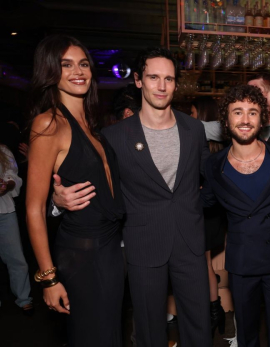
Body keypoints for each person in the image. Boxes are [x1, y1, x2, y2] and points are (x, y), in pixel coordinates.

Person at [52, 46, 212, 347]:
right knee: (149, 329)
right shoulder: (114, 137)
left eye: (168, 79)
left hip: (189, 241)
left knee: (199, 325)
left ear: (176, 83)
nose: (161, 86)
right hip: (144, 243)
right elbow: (97, 189)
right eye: (153, 77)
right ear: (138, 80)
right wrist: (58, 201)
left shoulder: (194, 129)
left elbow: (211, 177)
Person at [25, 35, 125, 346]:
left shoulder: (91, 126)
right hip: (82, 254)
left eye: (82, 64)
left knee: (109, 335)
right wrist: (49, 277)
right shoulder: (48, 124)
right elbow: (33, 208)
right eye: (65, 65)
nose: (77, 71)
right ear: (50, 72)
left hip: (109, 250)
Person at [201, 84, 270, 347]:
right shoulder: (213, 165)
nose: (245, 120)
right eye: (238, 112)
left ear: (262, 118)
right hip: (242, 264)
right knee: (246, 334)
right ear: (226, 119)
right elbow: (204, 202)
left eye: (252, 112)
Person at [190, 95, 227, 336]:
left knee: (198, 263)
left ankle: (209, 315)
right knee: (202, 263)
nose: (191, 119)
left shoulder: (198, 144)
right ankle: (215, 313)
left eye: (193, 114)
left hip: (202, 211)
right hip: (212, 212)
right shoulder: (221, 147)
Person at [0, 143, 33, 315]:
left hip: (4, 210)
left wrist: (7, 185)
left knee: (16, 258)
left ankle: (24, 299)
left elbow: (13, 175)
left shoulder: (2, 150)